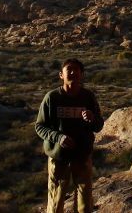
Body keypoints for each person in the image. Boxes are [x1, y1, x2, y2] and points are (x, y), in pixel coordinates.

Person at [35, 58, 104, 213]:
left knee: (85, 200)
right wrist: (58, 138)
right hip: (59, 156)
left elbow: (99, 125)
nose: (73, 73)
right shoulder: (52, 98)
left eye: (76, 70)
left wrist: (93, 118)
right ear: (61, 75)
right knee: (55, 200)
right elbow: (39, 126)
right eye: (69, 70)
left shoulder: (88, 97)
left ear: (82, 74)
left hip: (82, 155)